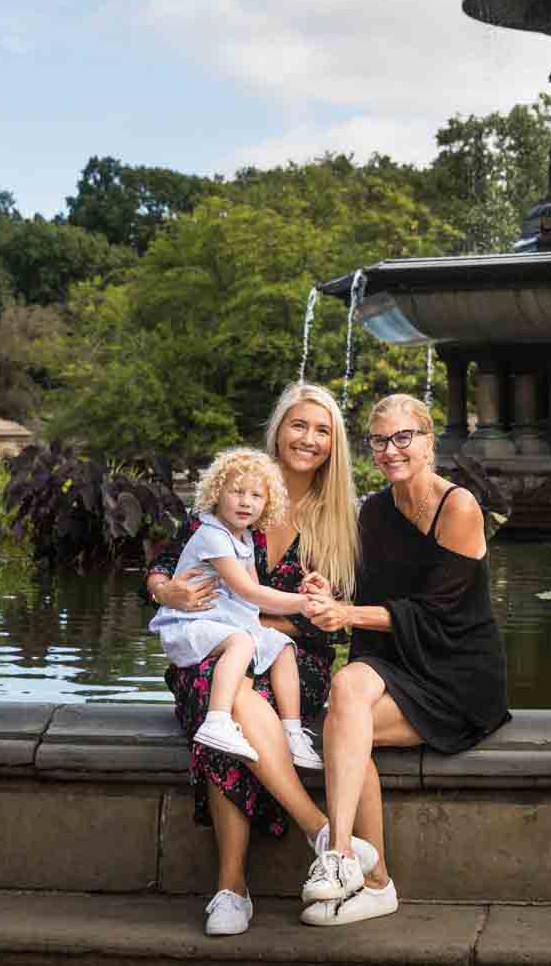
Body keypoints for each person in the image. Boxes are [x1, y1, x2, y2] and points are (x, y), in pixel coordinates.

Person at [144, 382, 364, 939]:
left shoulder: (338, 518)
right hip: (217, 653)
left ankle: (231, 885)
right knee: (231, 695)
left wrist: (263, 623)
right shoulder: (240, 490)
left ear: (333, 444)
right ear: (278, 429)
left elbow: (326, 622)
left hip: (295, 663)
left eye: (322, 431)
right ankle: (314, 832)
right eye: (299, 425)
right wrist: (165, 591)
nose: (308, 439)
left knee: (235, 700)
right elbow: (168, 562)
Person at [297, 393, 511, 927]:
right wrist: (331, 591)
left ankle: (374, 880)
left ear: (427, 440)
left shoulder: (458, 506)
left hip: (457, 671)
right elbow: (371, 593)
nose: (391, 450)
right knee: (347, 695)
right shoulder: (375, 510)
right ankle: (344, 858)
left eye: (402, 438)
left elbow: (434, 613)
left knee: (343, 727)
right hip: (398, 662)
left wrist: (346, 614)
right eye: (379, 441)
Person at [148, 447, 322, 772]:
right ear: (217, 492)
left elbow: (254, 598)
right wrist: (301, 604)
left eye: (256, 495)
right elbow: (247, 589)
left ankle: (293, 731)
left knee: (282, 646)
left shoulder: (244, 538)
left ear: (267, 503)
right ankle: (217, 720)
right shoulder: (212, 534)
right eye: (237, 492)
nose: (246, 502)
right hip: (192, 625)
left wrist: (302, 595)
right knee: (242, 642)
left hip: (224, 623)